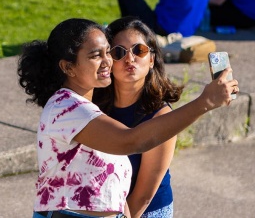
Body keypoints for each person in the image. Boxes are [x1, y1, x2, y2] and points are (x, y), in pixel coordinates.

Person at [18, 18, 238, 218]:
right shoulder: (69, 108)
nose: (108, 61)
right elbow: (129, 141)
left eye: (107, 52)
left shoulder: (84, 106)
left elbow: (115, 183)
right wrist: (204, 103)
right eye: (100, 55)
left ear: (152, 59)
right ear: (68, 67)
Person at [94, 17, 181, 218]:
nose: (130, 59)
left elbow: (143, 196)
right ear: (108, 61)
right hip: (104, 207)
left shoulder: (161, 115)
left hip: (146, 210)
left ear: (151, 59)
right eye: (118, 52)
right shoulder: (94, 106)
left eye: (139, 50)